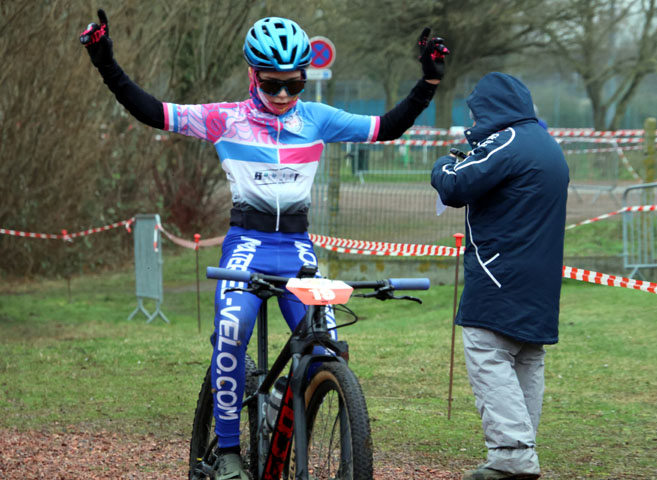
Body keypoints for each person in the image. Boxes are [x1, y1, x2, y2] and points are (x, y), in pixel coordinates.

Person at [80, 10, 448, 480]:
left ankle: (289, 414)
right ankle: (230, 451)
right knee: (232, 334)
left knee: (328, 350)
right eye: (271, 84)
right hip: (246, 245)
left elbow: (387, 127)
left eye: (293, 86)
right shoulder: (225, 118)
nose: (281, 96)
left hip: (297, 248)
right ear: (252, 75)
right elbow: (152, 111)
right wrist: (104, 60)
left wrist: (429, 83)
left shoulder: (318, 118)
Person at [431, 72, 568, 480]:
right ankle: (522, 448)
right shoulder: (548, 145)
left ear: (490, 109)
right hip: (541, 281)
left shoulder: (507, 140)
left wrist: (443, 164)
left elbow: (456, 186)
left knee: (489, 354)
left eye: (475, 113)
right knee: (527, 358)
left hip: (497, 275)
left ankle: (512, 456)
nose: (473, 122)